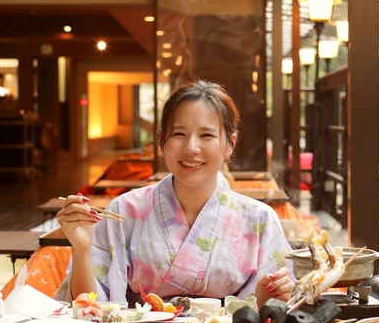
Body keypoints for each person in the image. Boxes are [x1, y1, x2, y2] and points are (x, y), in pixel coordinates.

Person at [54, 80, 294, 308]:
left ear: (230, 143)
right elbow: (89, 306)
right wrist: (82, 250)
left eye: (206, 135)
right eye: (179, 134)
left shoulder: (260, 219)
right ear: (161, 141)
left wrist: (269, 298)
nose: (191, 148)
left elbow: (275, 309)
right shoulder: (125, 211)